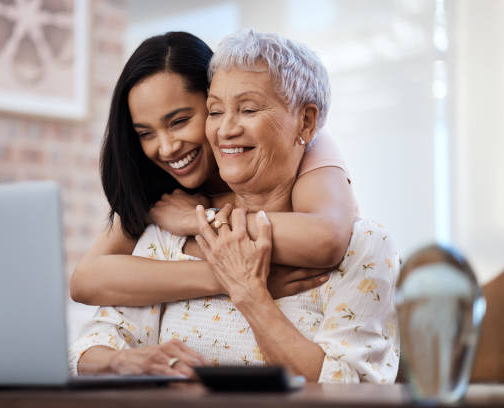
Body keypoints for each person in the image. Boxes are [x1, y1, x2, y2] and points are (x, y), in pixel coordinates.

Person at [69, 30, 399, 383]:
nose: (166, 148)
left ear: (305, 121)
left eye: (248, 109)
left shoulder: (357, 236)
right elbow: (89, 315)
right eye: (216, 111)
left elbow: (348, 386)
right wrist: (223, 274)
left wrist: (245, 285)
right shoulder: (166, 223)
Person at [70, 31, 357, 308]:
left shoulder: (302, 141)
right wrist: (232, 277)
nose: (167, 148)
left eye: (179, 121)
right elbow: (86, 280)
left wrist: (202, 220)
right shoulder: (158, 185)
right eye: (146, 133)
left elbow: (325, 238)